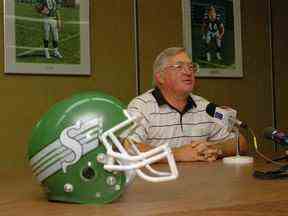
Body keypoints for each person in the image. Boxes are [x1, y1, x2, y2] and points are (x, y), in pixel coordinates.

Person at [126, 47, 247, 162]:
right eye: (179, 67)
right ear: (160, 77)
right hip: (157, 180)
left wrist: (216, 148)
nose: (188, 72)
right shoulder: (141, 106)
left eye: (191, 67)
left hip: (198, 181)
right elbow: (128, 148)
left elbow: (240, 143)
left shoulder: (204, 107)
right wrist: (176, 154)